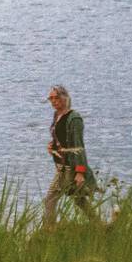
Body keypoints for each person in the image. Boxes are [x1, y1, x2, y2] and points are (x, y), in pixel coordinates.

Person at [43, 84, 98, 226]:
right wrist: (52, 146)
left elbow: (78, 147)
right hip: (61, 166)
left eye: (56, 98)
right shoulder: (57, 115)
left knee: (50, 199)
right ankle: (100, 226)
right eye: (51, 99)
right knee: (78, 199)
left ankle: (50, 230)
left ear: (64, 98)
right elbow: (60, 137)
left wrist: (80, 173)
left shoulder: (74, 118)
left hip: (70, 168)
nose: (54, 101)